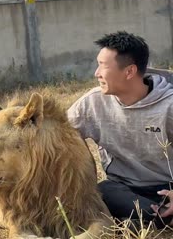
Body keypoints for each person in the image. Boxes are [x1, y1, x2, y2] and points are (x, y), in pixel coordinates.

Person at [67, 31, 173, 229]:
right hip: (123, 189)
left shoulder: (169, 105)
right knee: (102, 192)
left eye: (103, 66)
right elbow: (59, 136)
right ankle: (157, 219)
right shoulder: (92, 103)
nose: (96, 73)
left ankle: (148, 220)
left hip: (167, 189)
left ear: (129, 71)